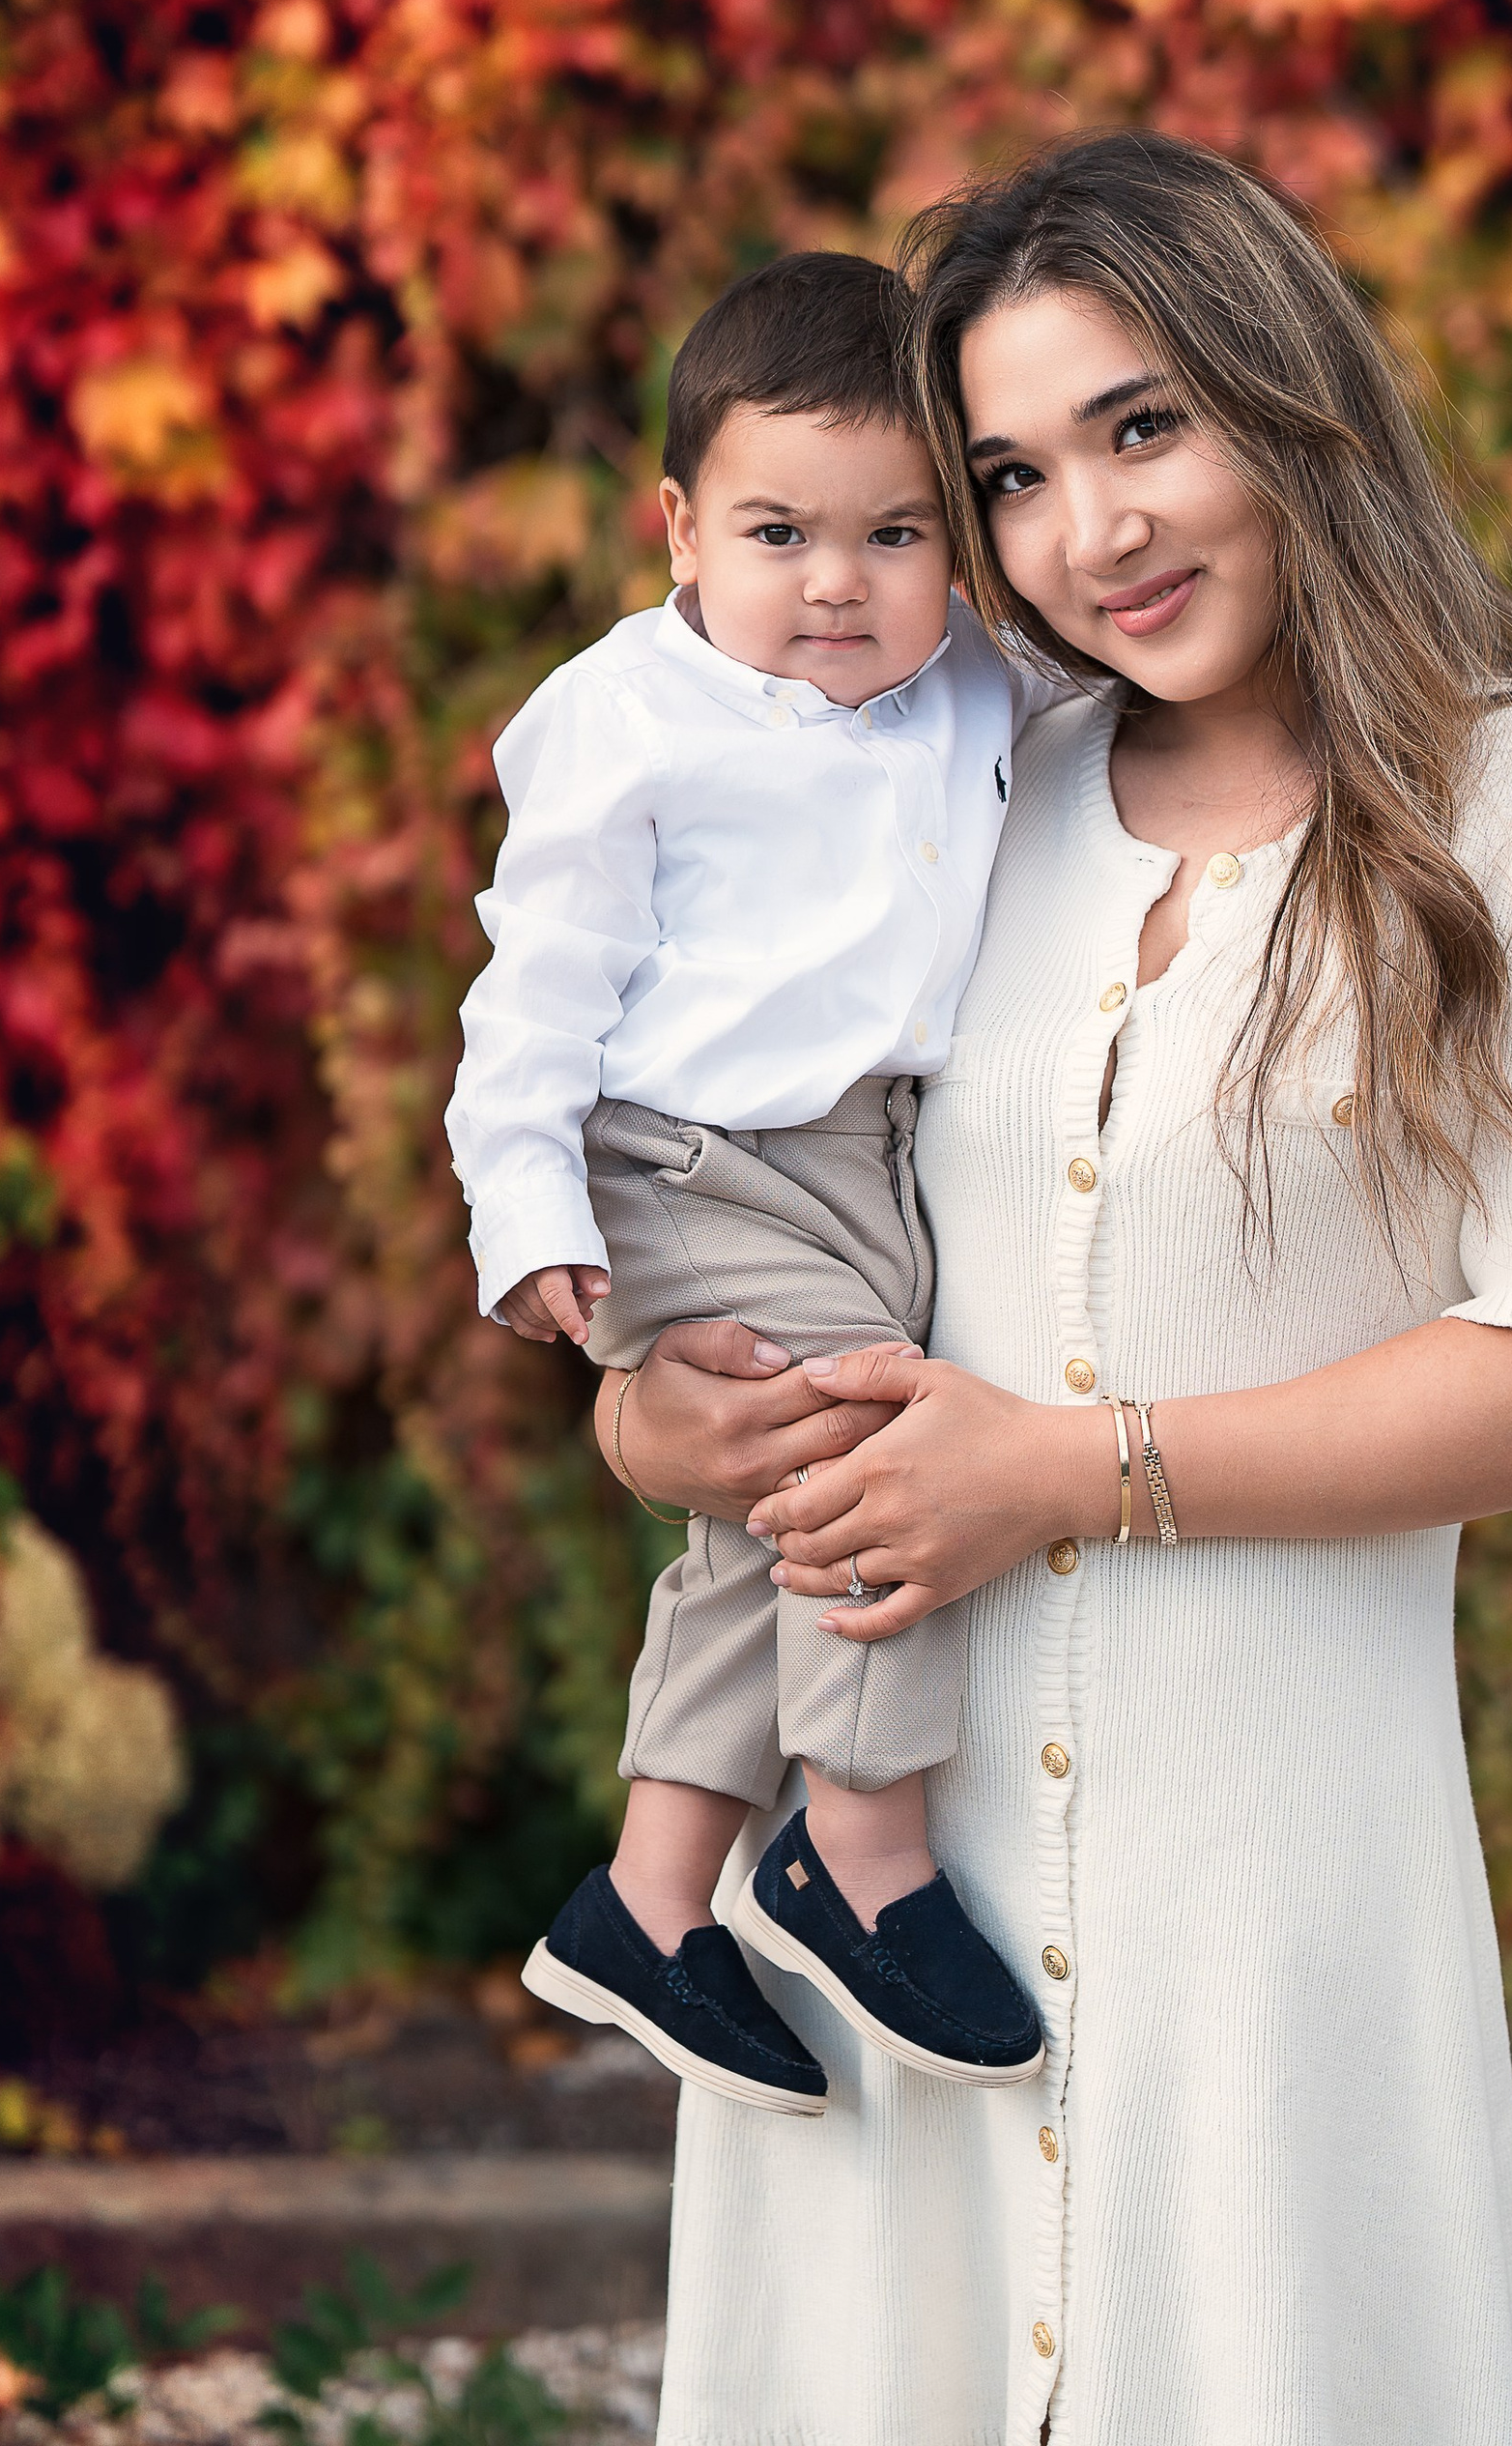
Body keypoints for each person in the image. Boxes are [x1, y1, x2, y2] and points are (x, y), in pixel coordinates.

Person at [607, 134, 1512, 2446]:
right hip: (879, 1880)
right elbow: (737, 1215)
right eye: (1011, 477)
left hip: (1274, 1898)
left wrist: (1066, 1470)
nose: (1090, 532)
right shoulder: (947, 799)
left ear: (1286, 392)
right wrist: (662, 1414)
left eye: (1143, 426)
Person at [444, 251, 1053, 2117]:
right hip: (683, 1156)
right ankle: (857, 1853)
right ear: (681, 531)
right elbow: (532, 988)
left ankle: (646, 1899)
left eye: (896, 534)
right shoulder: (630, 717)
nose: (837, 582)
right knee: (864, 1452)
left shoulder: (972, 685)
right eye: (781, 532)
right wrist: (526, 1214)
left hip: (859, 1156)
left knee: (760, 1519)